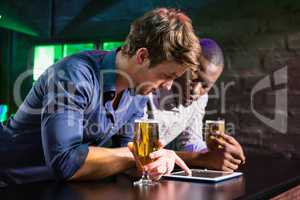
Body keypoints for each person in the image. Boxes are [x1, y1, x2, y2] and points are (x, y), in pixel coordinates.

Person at [0, 8, 200, 185]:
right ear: (142, 56)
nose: (167, 86)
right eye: (166, 76)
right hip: (10, 181)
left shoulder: (138, 92)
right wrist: (137, 154)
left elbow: (125, 161)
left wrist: (152, 163)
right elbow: (65, 163)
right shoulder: (73, 75)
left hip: (56, 187)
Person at [141, 38, 245, 177]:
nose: (196, 91)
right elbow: (141, 154)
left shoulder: (201, 98)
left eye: (205, 86)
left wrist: (216, 154)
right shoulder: (150, 89)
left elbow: (189, 141)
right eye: (194, 79)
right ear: (183, 66)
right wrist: (203, 159)